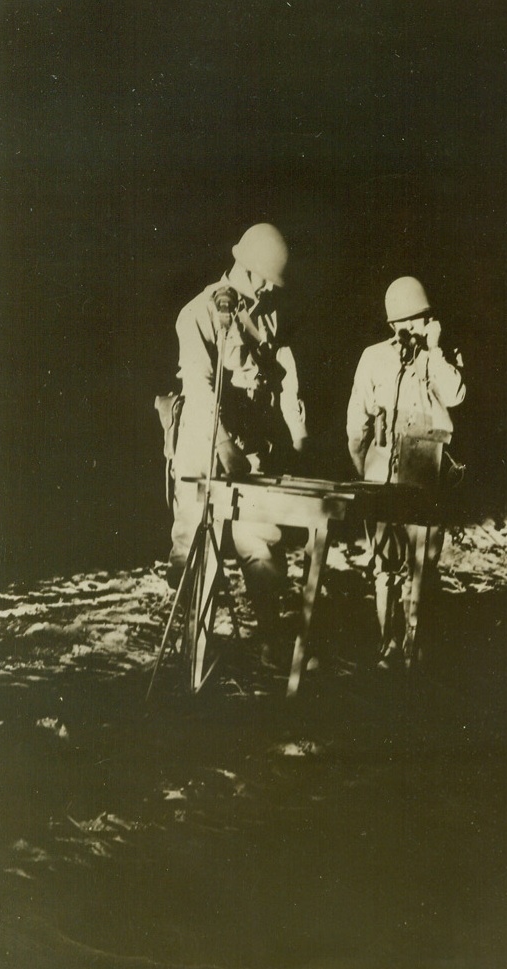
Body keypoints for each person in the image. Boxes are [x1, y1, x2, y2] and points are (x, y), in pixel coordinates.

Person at [168, 223, 307, 662]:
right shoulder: (199, 313)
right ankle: (195, 652)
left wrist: (287, 436)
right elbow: (200, 386)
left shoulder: (267, 312)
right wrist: (223, 445)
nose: (269, 287)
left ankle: (271, 642)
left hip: (249, 448)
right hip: (202, 445)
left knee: (263, 544)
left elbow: (274, 375)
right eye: (264, 277)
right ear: (242, 268)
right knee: (197, 553)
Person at [346, 276, 465, 669]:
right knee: (384, 566)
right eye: (404, 323)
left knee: (422, 566)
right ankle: (387, 646)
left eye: (420, 320)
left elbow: (455, 396)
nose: (411, 329)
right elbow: (357, 423)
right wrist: (362, 470)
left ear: (430, 321)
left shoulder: (440, 357)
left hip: (425, 477)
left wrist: (434, 352)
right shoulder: (373, 358)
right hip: (382, 476)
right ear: (392, 326)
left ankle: (416, 649)